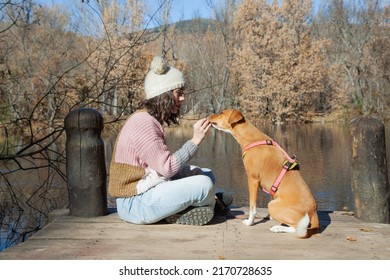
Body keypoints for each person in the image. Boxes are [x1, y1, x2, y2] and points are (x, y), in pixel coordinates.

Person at [108, 56, 231, 226]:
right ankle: (204, 203)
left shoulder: (149, 119)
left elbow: (159, 168)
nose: (182, 98)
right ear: (163, 94)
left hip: (145, 191)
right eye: (178, 93)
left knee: (206, 174)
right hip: (134, 203)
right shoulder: (144, 123)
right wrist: (194, 141)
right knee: (204, 184)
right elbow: (167, 168)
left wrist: (193, 173)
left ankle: (194, 207)